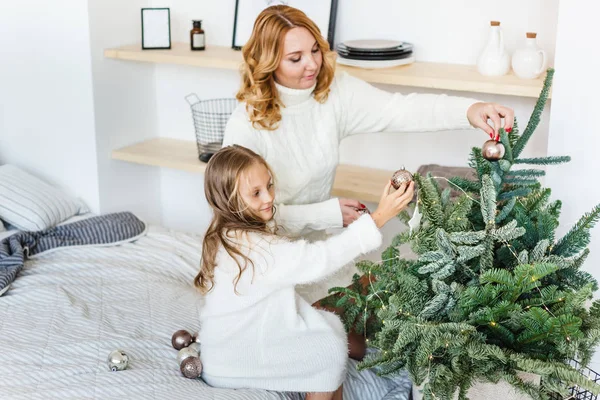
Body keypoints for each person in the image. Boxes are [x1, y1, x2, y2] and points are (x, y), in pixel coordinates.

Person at [222, 5, 515, 305]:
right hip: (269, 260)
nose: (312, 65)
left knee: (366, 322)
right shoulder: (245, 126)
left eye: (315, 50)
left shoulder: (331, 93)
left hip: (325, 250)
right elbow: (242, 222)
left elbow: (400, 109)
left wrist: (470, 111)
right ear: (268, 63)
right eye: (295, 58)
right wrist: (328, 213)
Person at [196, 145, 414, 400]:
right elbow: (320, 259)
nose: (268, 198)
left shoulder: (226, 231)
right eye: (256, 193)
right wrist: (378, 218)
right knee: (326, 350)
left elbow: (285, 217)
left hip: (231, 342)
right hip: (234, 358)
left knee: (330, 327)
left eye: (269, 185)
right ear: (229, 201)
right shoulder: (255, 248)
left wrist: (334, 212)